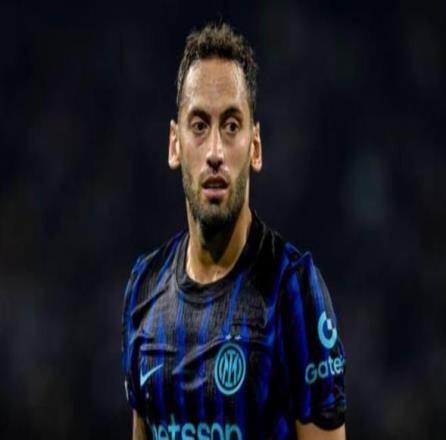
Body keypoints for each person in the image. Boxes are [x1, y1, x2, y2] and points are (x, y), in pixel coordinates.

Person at [122, 22, 347, 440]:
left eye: (230, 126)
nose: (214, 152)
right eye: (199, 125)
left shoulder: (293, 290)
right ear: (174, 144)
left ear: (255, 147)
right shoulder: (144, 286)